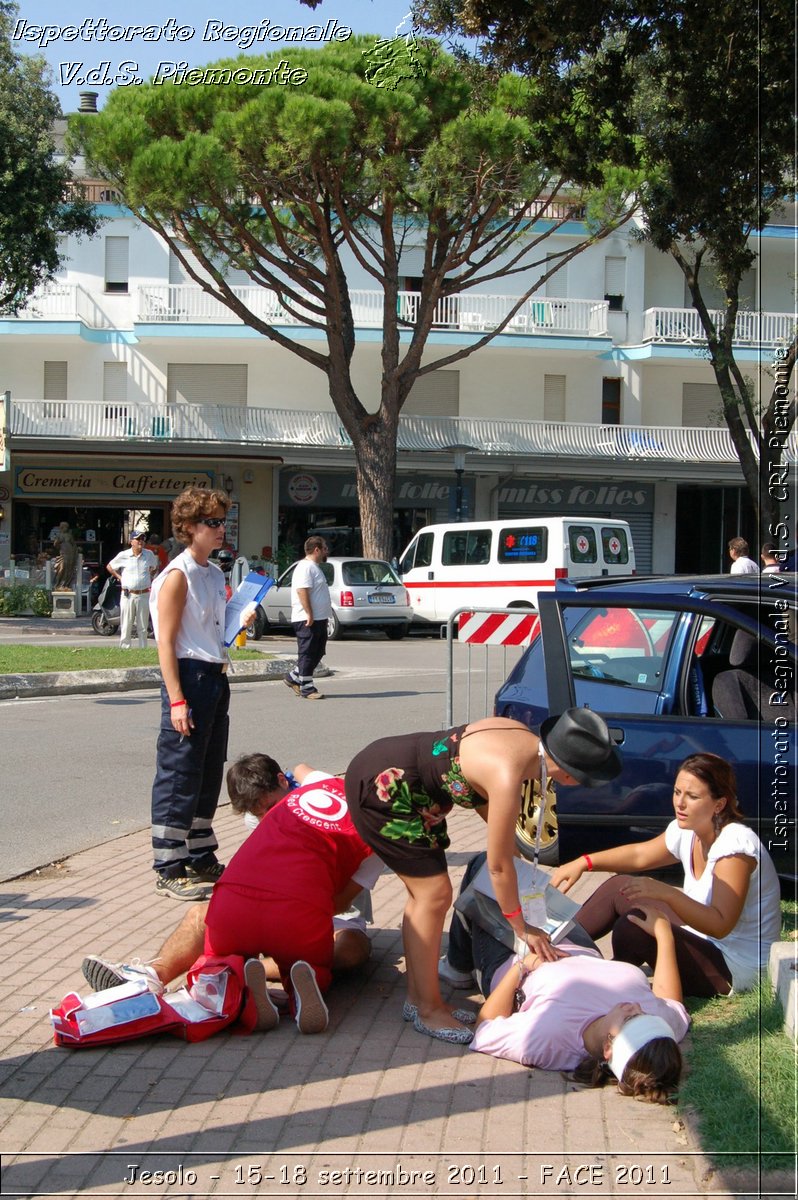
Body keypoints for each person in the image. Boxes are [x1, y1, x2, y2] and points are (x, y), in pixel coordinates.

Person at [344, 709, 622, 1042]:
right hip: (384, 786)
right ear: (568, 774)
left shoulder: (522, 741)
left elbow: (475, 791)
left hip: (406, 779)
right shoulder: (509, 772)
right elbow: (498, 865)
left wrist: (517, 869)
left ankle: (419, 1000)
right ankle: (428, 1009)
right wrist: (522, 928)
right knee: (433, 894)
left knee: (428, 895)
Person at [82, 760, 384, 1034]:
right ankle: (150, 976)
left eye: (270, 805)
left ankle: (231, 973)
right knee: (204, 918)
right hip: (300, 910)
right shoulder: (381, 834)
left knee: (351, 949)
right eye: (258, 812)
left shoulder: (320, 788)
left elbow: (339, 905)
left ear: (283, 782)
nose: (266, 816)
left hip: (289, 907)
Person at [441, 853, 687, 1103]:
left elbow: (484, 1027)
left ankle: (458, 965)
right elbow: (673, 1004)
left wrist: (523, 966)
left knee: (484, 866)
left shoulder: (549, 1039)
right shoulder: (658, 1036)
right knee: (516, 877)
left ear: (608, 1048)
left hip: (513, 955)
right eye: (643, 1014)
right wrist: (663, 934)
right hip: (577, 945)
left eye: (631, 1018)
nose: (635, 1007)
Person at [551, 753, 781, 997]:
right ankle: (552, 947)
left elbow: (720, 925)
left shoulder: (735, 847)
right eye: (677, 792)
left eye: (692, 796)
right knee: (621, 886)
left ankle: (604, 977)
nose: (679, 803)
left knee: (634, 926)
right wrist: (584, 862)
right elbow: (640, 854)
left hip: (735, 965)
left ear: (719, 804)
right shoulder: (689, 830)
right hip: (702, 937)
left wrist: (667, 894)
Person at [149, 486, 246, 901]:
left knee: (207, 768)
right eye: (212, 522)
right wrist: (175, 699)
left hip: (214, 675)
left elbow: (213, 631)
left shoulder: (212, 572)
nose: (220, 528)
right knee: (180, 770)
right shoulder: (177, 575)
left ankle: (199, 853)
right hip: (188, 676)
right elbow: (166, 644)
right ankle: (168, 864)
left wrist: (242, 618)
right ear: (189, 528)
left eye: (223, 520)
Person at [284, 535, 332, 700]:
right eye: (325, 548)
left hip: (319, 618)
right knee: (307, 653)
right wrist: (309, 613)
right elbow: (302, 590)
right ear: (317, 549)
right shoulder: (305, 567)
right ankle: (307, 688)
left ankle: (294, 677)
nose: (327, 551)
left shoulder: (314, 567)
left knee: (318, 651)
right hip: (308, 619)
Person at [106, 531, 158, 649]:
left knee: (143, 625)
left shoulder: (149, 554)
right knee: (126, 624)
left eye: (142, 539)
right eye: (137, 539)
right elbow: (110, 566)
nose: (140, 541)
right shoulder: (123, 555)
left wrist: (149, 576)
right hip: (128, 594)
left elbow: (154, 567)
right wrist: (119, 577)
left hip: (144, 593)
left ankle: (143, 648)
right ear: (131, 541)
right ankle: (125, 648)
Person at [52, 521, 78, 590]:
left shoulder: (69, 535)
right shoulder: (59, 535)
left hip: (70, 554)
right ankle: (57, 584)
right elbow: (55, 545)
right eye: (63, 527)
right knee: (62, 568)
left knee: (69, 569)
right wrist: (58, 542)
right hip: (63, 554)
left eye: (66, 527)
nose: (64, 528)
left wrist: (75, 553)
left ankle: (65, 584)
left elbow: (73, 545)